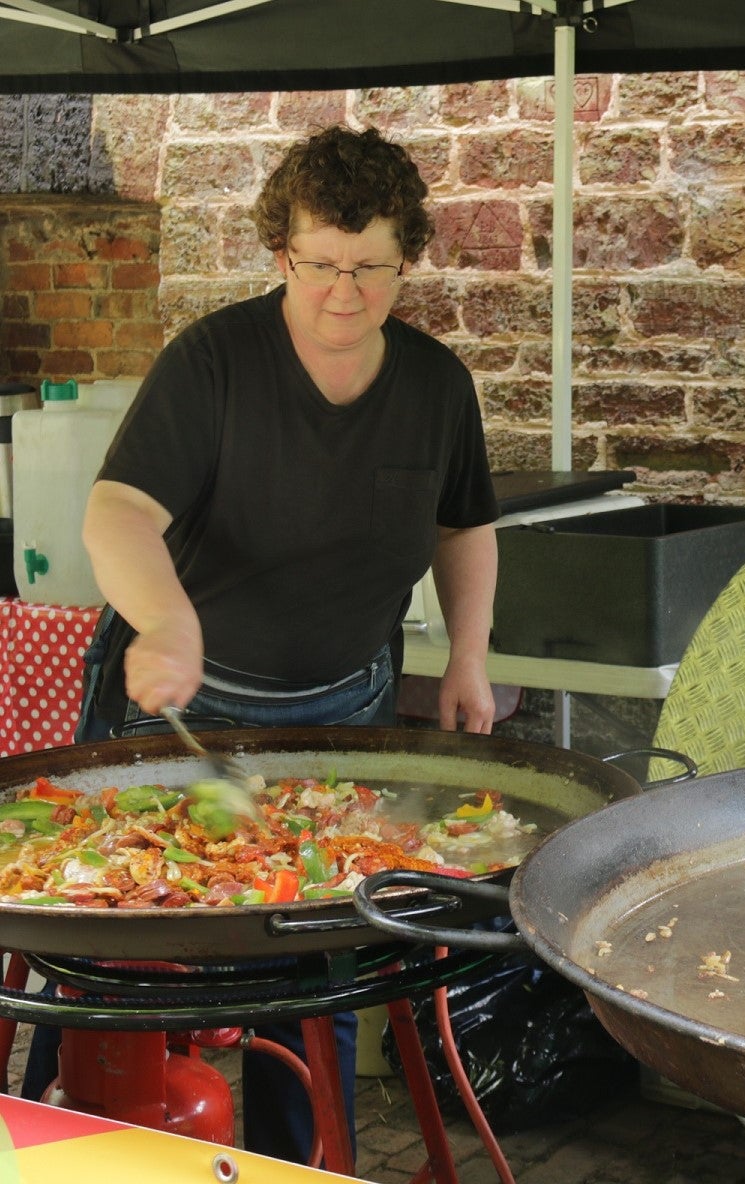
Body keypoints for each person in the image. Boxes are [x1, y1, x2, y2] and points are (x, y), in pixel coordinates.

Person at [22, 124, 501, 1165]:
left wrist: (468, 653)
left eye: (370, 266)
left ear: (405, 257)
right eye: (317, 263)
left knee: (317, 970)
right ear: (279, 252)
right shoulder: (215, 361)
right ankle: (64, 1142)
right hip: (183, 702)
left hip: (343, 711)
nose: (342, 290)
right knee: (99, 946)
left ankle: (306, 1163)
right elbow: (117, 511)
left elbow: (462, 524)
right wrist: (166, 617)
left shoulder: (433, 384)